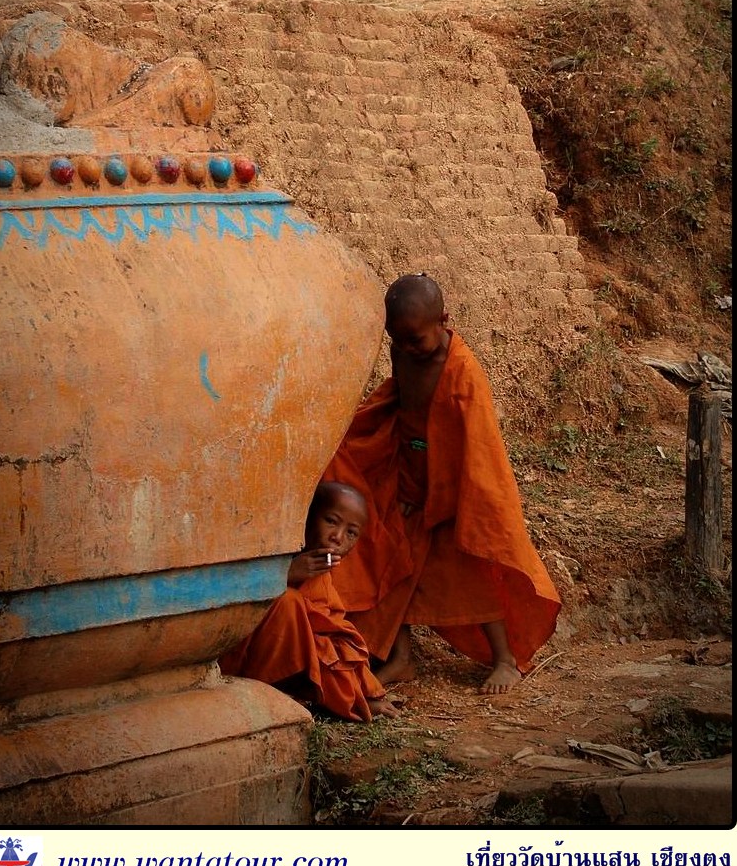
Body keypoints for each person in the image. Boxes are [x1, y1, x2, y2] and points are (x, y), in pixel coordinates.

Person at [324, 273, 561, 695]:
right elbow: (402, 408)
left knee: (471, 565)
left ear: (443, 321)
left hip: (453, 482)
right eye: (397, 341)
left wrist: (444, 494)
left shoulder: (463, 372)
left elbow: (476, 446)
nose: (406, 349)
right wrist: (403, 479)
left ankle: (505, 659)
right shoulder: (403, 351)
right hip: (407, 471)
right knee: (388, 559)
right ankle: (400, 657)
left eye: (415, 340)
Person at [219, 480, 398, 721]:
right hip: (239, 655)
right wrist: (285, 574)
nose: (337, 537)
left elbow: (329, 633)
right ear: (307, 517)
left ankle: (333, 695)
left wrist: (359, 692)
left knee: (336, 642)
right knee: (289, 603)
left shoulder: (321, 576)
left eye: (351, 533)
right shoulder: (271, 541)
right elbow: (230, 586)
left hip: (290, 661)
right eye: (331, 521)